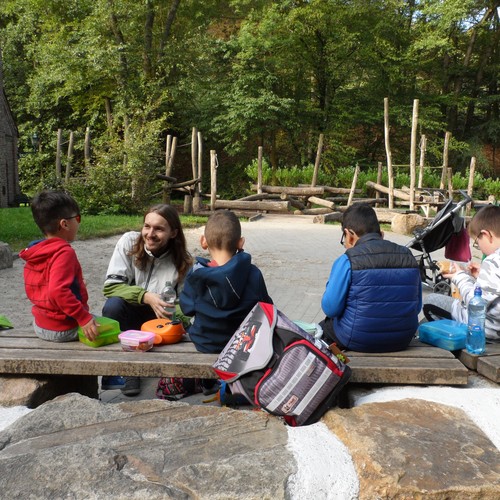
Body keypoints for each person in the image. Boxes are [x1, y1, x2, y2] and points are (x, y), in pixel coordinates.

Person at [156, 210, 273, 400]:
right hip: (241, 347)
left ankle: (203, 382)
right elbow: (266, 308)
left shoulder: (197, 274)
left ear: (203, 241)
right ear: (240, 242)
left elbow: (187, 309)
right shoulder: (253, 274)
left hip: (206, 343)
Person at [101, 204, 192, 396]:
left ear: (173, 233)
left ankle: (165, 367)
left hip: (158, 322)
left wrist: (178, 317)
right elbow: (110, 287)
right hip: (129, 315)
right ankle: (128, 370)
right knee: (112, 306)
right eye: (147, 226)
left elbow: (186, 305)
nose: (150, 234)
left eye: (159, 229)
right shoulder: (129, 243)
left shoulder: (183, 261)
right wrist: (146, 296)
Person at [320, 203, 422, 352]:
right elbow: (417, 307)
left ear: (349, 235)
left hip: (355, 338)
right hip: (403, 338)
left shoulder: (347, 260)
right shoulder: (408, 256)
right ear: (381, 234)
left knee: (323, 328)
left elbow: (330, 308)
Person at [19, 190, 98, 343]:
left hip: (40, 324)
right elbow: (57, 290)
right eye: (78, 218)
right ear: (65, 224)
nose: (78, 222)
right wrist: (83, 318)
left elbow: (43, 284)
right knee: (109, 327)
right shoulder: (64, 253)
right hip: (62, 328)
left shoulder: (36, 250)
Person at [423, 205, 500, 341]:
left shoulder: (493, 260)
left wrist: (460, 278)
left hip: (487, 330)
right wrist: (481, 275)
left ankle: (456, 346)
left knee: (430, 301)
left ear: (486, 235)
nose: (479, 248)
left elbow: (476, 304)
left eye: (477, 242)